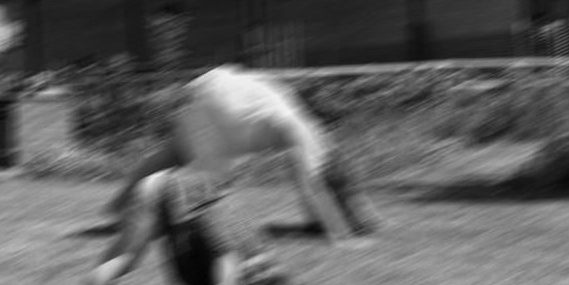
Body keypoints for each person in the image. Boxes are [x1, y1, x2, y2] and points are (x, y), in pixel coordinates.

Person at [104, 65, 379, 242]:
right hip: (219, 107)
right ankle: (157, 224)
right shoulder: (308, 136)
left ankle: (116, 206)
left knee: (172, 156)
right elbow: (312, 185)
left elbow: (315, 180)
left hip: (215, 89)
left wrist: (349, 216)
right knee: (206, 187)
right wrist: (339, 235)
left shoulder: (305, 126)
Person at [68, 167, 323, 285]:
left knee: (125, 257)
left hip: (189, 192)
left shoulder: (251, 243)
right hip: (157, 192)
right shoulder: (228, 248)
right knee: (125, 258)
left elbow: (266, 283)